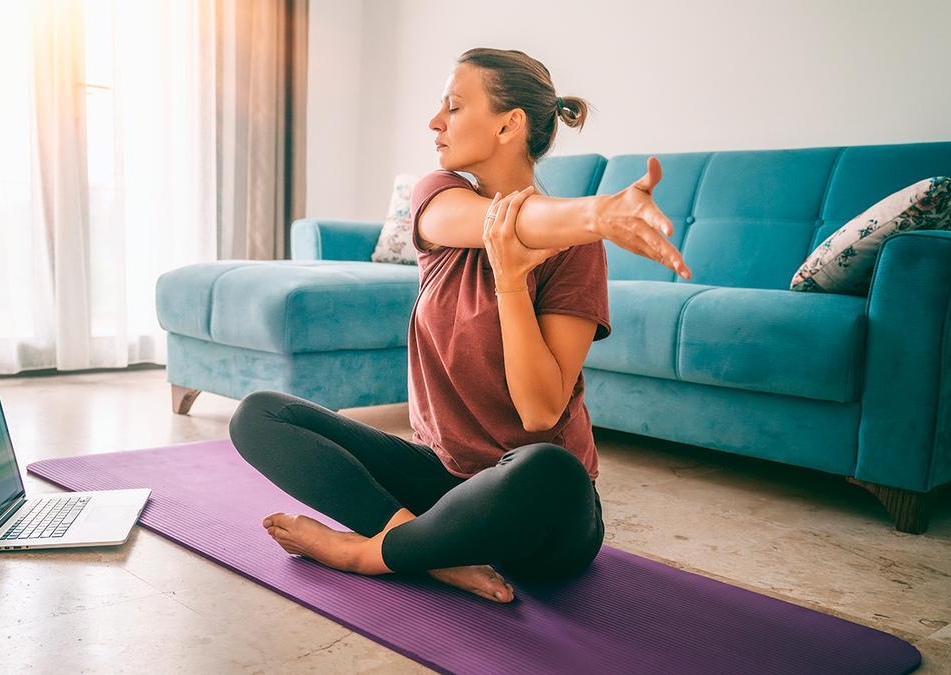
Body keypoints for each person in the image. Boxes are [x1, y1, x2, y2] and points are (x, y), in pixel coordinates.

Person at [228, 47, 690, 604]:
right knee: (260, 414)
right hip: (441, 482)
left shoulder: (576, 253)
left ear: (508, 124)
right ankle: (419, 545)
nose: (435, 122)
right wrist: (596, 214)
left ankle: (368, 554)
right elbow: (504, 222)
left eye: (453, 106)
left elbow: (541, 411)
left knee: (549, 468)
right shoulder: (438, 195)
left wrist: (513, 283)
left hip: (535, 510)